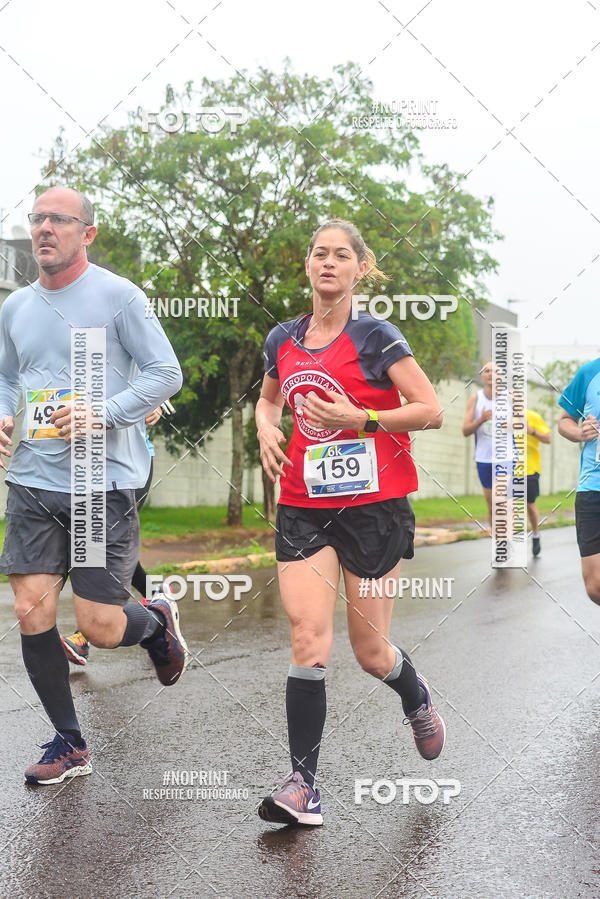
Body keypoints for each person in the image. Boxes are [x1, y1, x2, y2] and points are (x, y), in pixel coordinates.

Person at [254, 218, 446, 827]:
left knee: (370, 653)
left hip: (373, 508)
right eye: (319, 253)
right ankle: (303, 787)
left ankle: (414, 697)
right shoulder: (282, 338)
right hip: (304, 503)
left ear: (360, 268)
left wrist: (358, 420)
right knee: (308, 637)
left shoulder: (378, 337)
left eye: (342, 255)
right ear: (307, 266)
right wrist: (264, 423)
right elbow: (268, 397)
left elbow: (431, 410)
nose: (328, 263)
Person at [0, 186, 187, 785]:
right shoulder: (15, 308)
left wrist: (102, 412)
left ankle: (154, 621)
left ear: (88, 232)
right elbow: (7, 380)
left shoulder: (118, 297)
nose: (44, 229)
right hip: (32, 477)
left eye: (59, 219)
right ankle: (68, 741)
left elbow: (165, 373)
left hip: (100, 481)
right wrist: (3, 416)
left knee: (102, 626)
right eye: (37, 219)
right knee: (31, 609)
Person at [61, 405, 168, 665]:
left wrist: (158, 404)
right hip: (85, 465)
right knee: (92, 544)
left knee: (97, 543)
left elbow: (160, 373)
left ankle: (84, 635)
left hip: (128, 464)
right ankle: (162, 601)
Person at [557, 360, 600, 604]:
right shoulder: (590, 372)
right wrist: (579, 433)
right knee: (595, 586)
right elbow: (565, 420)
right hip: (593, 486)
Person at [462, 362, 494, 531]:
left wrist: (510, 425)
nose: (490, 374)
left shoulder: (510, 398)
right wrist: (481, 419)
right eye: (487, 371)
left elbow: (523, 427)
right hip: (483, 458)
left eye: (495, 371)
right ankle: (499, 545)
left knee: (502, 501)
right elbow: (465, 431)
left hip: (506, 458)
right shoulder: (476, 398)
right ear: (482, 376)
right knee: (491, 504)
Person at [526, 408, 551, 557]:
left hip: (529, 469)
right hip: (507, 469)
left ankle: (535, 534)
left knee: (530, 505)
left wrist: (531, 431)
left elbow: (548, 438)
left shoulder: (532, 416)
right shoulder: (500, 416)